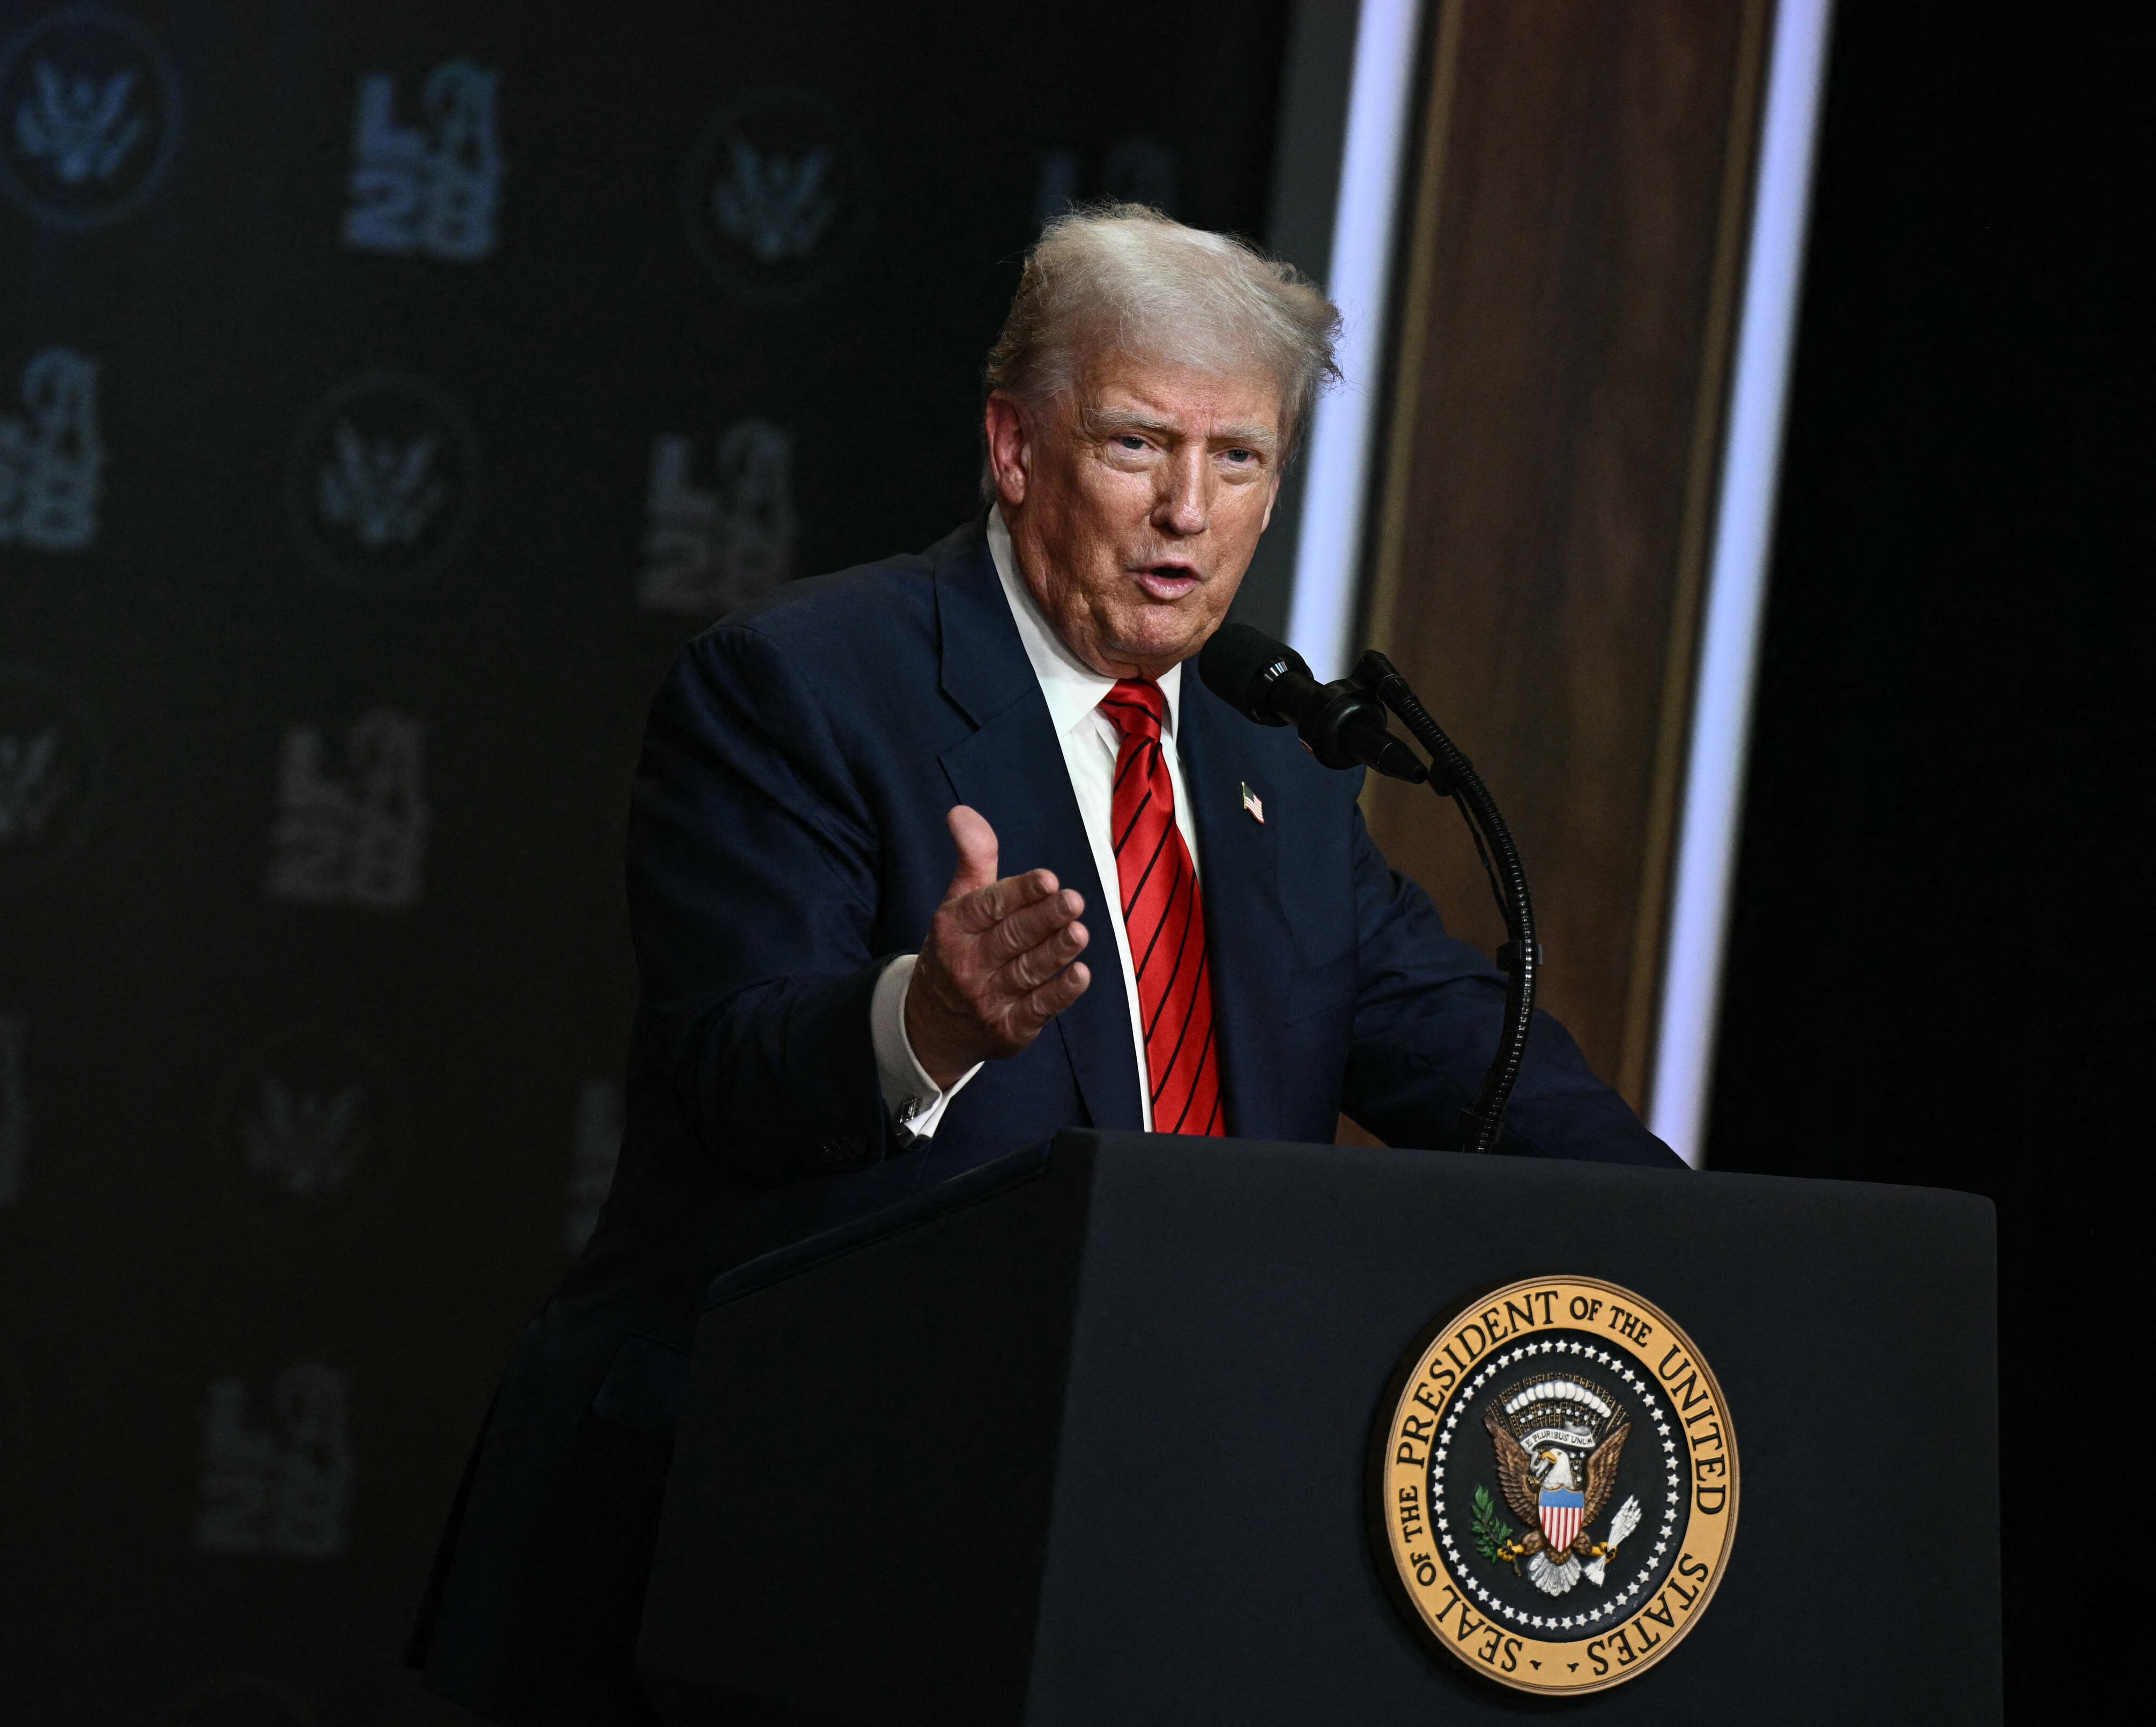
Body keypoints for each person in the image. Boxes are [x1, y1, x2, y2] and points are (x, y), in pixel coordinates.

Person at [411, 205, 1683, 1725]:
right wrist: (929, 1018)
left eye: (1240, 461)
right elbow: (735, 1068)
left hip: (1130, 1563)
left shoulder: (1273, 767)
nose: (1188, 513)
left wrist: (1704, 1253)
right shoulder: (802, 688)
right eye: (1140, 446)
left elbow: (1481, 1064)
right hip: (779, 1562)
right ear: (1017, 450)